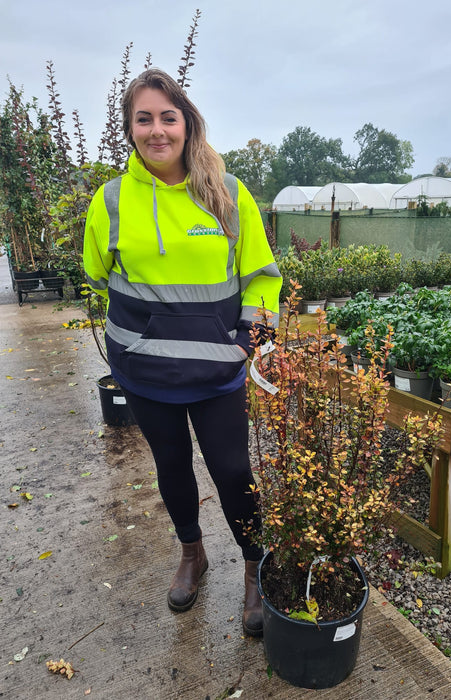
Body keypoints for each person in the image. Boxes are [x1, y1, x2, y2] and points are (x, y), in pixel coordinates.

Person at [83, 68, 281, 637]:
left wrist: (248, 341)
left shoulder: (227, 193)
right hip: (146, 374)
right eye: (143, 118)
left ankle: (253, 566)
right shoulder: (112, 200)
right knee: (170, 468)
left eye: (168, 117)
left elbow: (263, 278)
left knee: (232, 470)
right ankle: (192, 554)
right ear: (130, 129)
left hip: (217, 371)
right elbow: (97, 275)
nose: (157, 130)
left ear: (187, 123)